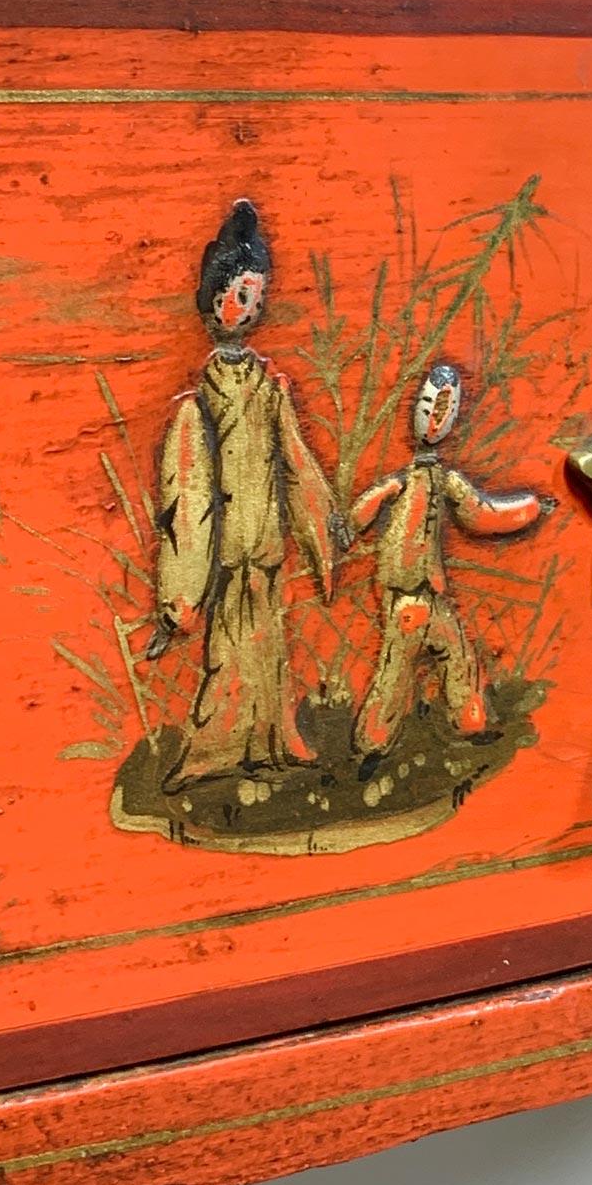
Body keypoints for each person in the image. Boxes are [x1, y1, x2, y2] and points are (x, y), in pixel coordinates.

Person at [148, 200, 338, 791]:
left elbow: (297, 462)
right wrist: (178, 599)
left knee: (270, 651)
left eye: (255, 297)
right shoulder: (201, 401)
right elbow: (189, 493)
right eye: (237, 295)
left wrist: (323, 523)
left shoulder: (270, 386)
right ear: (212, 302)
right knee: (229, 653)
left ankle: (276, 738)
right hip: (227, 550)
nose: (248, 308)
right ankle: (213, 748)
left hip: (268, 545)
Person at [349, 363, 551, 755]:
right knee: (399, 671)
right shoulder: (406, 482)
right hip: (409, 596)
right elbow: (369, 506)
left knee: (451, 658)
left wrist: (530, 508)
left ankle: (463, 723)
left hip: (428, 596)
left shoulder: (442, 482)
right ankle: (373, 743)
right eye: (430, 406)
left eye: (446, 408)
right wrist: (348, 526)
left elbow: (482, 513)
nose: (437, 417)